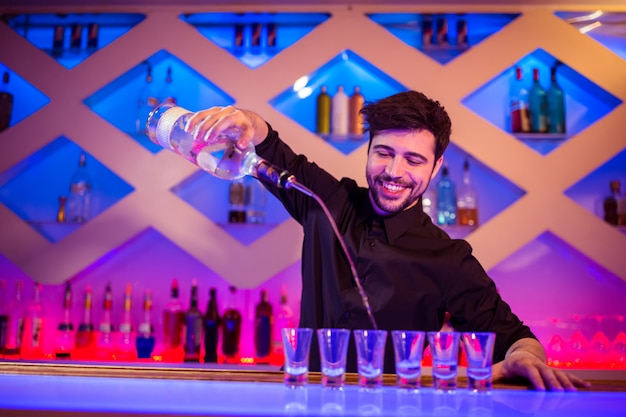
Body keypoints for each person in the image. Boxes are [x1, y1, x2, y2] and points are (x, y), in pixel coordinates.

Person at [186, 90, 590, 391]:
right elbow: (270, 146)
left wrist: (524, 357)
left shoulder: (448, 258)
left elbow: (515, 338)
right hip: (301, 401)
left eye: (414, 160)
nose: (394, 171)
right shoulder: (329, 202)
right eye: (384, 153)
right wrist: (246, 122)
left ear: (436, 167)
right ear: (368, 150)